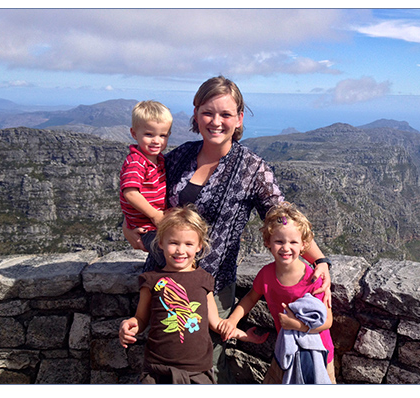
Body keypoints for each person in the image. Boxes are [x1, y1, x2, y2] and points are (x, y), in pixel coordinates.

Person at [123, 76, 333, 383]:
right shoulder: (179, 157)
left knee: (210, 362)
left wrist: (320, 260)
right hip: (162, 277)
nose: (216, 121)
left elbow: (282, 218)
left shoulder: (251, 168)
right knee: (161, 357)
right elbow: (142, 192)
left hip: (213, 285)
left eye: (225, 114)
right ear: (195, 114)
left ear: (239, 118)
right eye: (208, 112)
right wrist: (128, 226)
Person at [118, 205, 267, 384]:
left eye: (188, 244)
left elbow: (215, 323)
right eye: (173, 243)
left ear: (199, 247)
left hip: (197, 372)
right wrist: (131, 324)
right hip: (158, 371)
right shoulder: (151, 280)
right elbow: (141, 319)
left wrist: (243, 335)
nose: (181, 250)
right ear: (160, 243)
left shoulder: (204, 279)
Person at [218, 202, 336, 384]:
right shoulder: (266, 274)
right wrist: (232, 321)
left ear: (304, 244)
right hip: (286, 350)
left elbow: (327, 321)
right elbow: (250, 297)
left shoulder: (313, 279)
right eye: (279, 241)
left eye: (293, 242)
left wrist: (296, 325)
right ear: (268, 243)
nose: (286, 248)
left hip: (318, 353)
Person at [119, 100, 172, 254]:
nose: (156, 141)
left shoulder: (159, 160)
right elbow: (130, 193)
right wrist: (155, 215)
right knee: (169, 255)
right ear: (134, 133)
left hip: (155, 226)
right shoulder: (136, 162)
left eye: (163, 135)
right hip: (145, 230)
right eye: (149, 134)